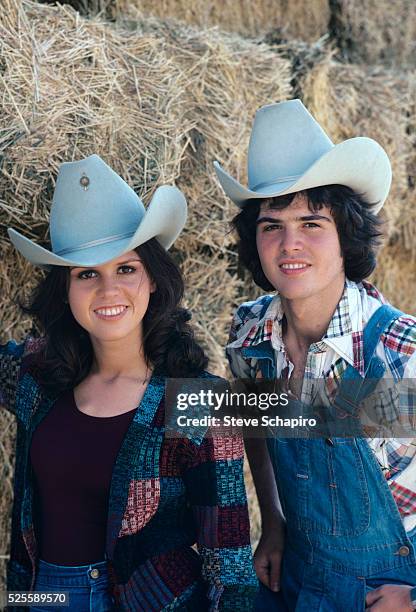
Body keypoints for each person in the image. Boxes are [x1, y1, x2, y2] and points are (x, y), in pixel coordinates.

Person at [0, 154, 257, 611]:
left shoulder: (199, 400)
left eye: (126, 268)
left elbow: (229, 567)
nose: (108, 291)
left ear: (154, 279)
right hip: (40, 595)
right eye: (86, 274)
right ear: (65, 290)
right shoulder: (36, 377)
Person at [214, 99, 416, 611]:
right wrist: (274, 524)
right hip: (301, 583)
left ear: (346, 238)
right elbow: (252, 423)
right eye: (271, 225)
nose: (289, 245)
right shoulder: (251, 330)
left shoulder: (400, 353)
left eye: (311, 224)